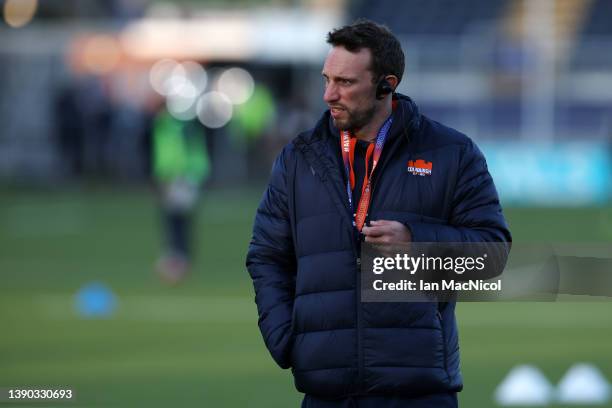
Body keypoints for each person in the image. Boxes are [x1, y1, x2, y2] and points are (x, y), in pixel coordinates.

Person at [246, 19, 511, 407]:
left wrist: (415, 242)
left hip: (419, 391)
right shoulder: (299, 158)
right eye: (326, 79)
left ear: (387, 85)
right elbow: (267, 255)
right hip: (325, 392)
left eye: (345, 83)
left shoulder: (452, 153)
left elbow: (492, 258)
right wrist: (286, 336)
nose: (328, 95)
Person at [152, 107, 211, 284]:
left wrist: (168, 176)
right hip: (184, 175)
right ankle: (179, 257)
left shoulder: (172, 127)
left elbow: (172, 154)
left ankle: (178, 260)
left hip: (179, 176)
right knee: (178, 219)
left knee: (175, 219)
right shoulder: (181, 126)